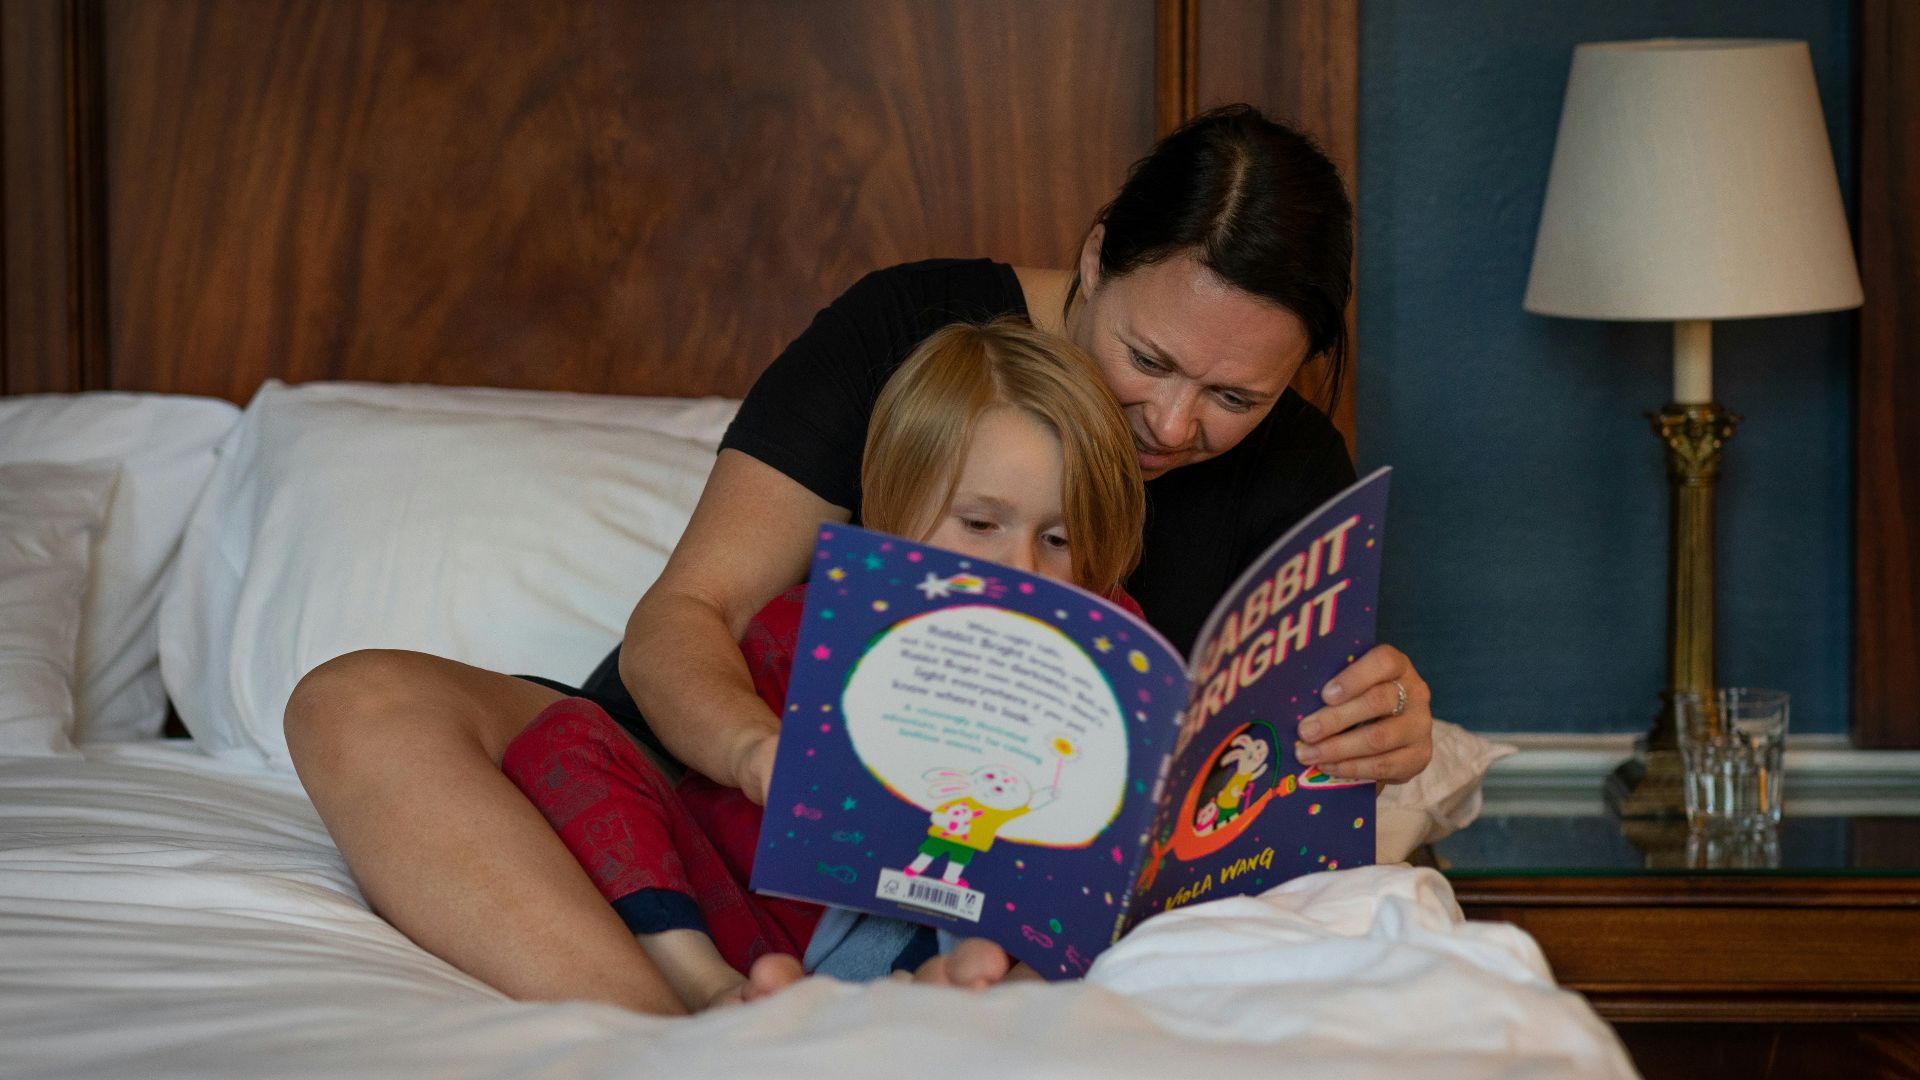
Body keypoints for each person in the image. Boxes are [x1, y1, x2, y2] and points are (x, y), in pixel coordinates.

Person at [284, 103, 1435, 1012]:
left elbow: (1257, 766)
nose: (1174, 427)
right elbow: (686, 612)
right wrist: (756, 755)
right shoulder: (908, 331)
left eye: (1236, 395)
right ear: (1095, 258)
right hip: (732, 782)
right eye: (1148, 358)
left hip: (999, 856)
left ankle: (799, 1020)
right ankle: (676, 1033)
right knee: (355, 700)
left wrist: (1374, 727)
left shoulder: (1291, 470)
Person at [495, 318, 1147, 1011]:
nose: (1019, 568)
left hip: (972, 919)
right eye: (980, 524)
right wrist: (764, 757)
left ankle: (946, 990)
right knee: (563, 737)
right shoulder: (806, 625)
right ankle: (707, 985)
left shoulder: (1109, 638)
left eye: (1057, 538)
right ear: (893, 505)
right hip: (769, 927)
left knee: (1081, 905)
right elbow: (720, 806)